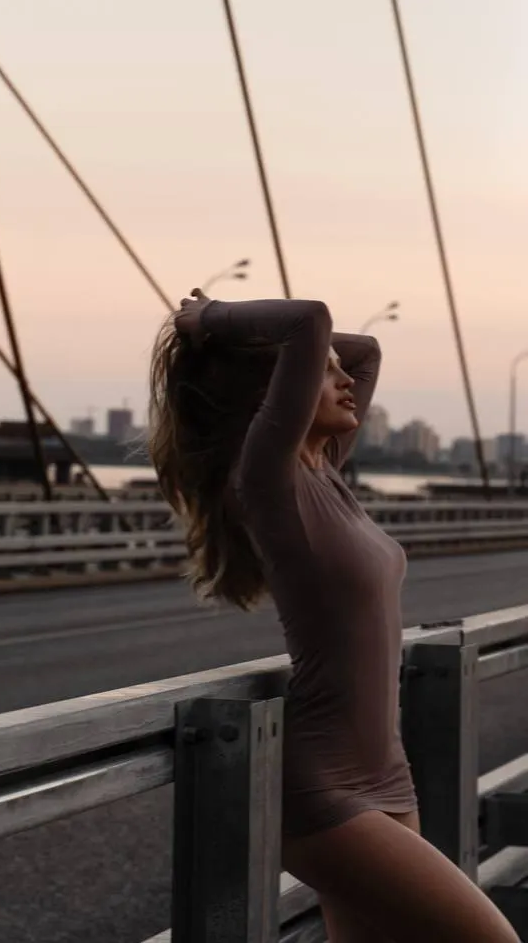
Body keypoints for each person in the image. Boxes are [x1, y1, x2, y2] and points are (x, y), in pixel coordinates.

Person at [148, 290, 518, 943]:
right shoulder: (267, 477)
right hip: (320, 789)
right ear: (276, 394)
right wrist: (206, 322)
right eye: (324, 371)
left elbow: (365, 350)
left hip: (384, 774)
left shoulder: (321, 473)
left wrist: (271, 349)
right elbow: (307, 320)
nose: (345, 377)